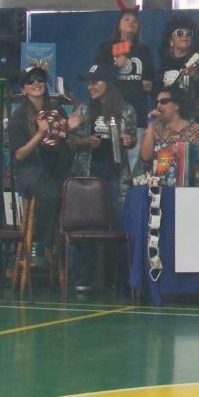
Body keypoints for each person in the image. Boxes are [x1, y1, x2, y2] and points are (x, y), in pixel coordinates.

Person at [67, 63, 137, 291]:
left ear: (108, 83)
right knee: (84, 224)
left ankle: (123, 279)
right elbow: (71, 142)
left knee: (119, 224)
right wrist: (85, 141)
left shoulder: (126, 110)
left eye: (95, 82)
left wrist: (129, 141)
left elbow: (132, 140)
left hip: (116, 172)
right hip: (88, 172)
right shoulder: (84, 109)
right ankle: (82, 278)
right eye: (89, 83)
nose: (91, 87)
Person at [8, 66, 72, 266]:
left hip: (55, 167)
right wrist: (40, 134)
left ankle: (61, 247)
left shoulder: (57, 110)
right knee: (51, 195)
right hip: (30, 170)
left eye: (40, 80)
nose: (36, 83)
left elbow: (66, 140)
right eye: (30, 81)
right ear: (23, 89)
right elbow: (19, 155)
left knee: (71, 194)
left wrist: (70, 129)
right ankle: (38, 242)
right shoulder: (18, 116)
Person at [94, 0, 154, 172]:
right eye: (126, 19)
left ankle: (130, 188)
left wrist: (149, 83)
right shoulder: (106, 48)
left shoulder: (144, 50)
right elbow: (97, 78)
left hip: (137, 110)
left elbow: (150, 78)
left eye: (135, 21)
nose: (131, 23)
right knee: (113, 158)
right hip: (112, 111)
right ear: (118, 25)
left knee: (134, 158)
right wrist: (116, 66)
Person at [139, 87, 199, 176]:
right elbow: (145, 157)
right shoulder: (154, 129)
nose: (158, 105)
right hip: (160, 181)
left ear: (176, 106)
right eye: (157, 102)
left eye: (163, 101)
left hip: (188, 180)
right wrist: (151, 124)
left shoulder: (195, 129)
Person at [156, 14, 199, 124]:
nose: (185, 36)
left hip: (192, 120)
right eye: (179, 33)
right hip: (167, 119)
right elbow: (157, 92)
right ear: (171, 39)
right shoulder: (163, 64)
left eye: (189, 33)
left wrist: (195, 76)